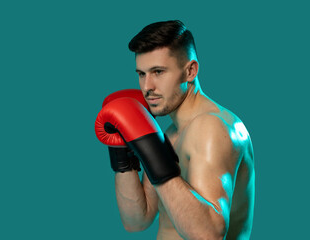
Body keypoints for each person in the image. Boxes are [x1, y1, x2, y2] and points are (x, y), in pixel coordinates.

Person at [95, 20, 255, 240]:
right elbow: (137, 220)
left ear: (190, 71)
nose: (147, 87)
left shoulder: (211, 128)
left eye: (158, 72)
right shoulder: (170, 134)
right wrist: (122, 151)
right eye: (141, 74)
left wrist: (153, 153)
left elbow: (208, 235)